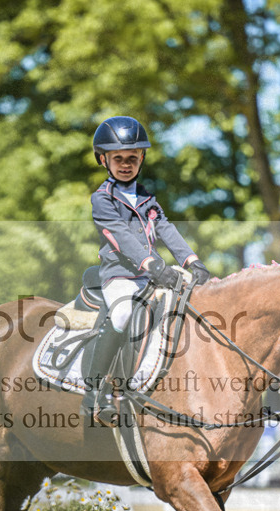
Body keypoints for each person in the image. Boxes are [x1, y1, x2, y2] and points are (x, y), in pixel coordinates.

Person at [82, 115, 210, 426]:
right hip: (120, 277)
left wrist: (192, 261)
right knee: (125, 313)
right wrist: (150, 263)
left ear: (142, 158)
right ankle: (96, 391)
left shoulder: (147, 198)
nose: (126, 164)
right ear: (104, 160)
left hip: (150, 277)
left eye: (132, 158)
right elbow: (120, 236)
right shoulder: (102, 199)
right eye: (118, 158)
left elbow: (166, 230)